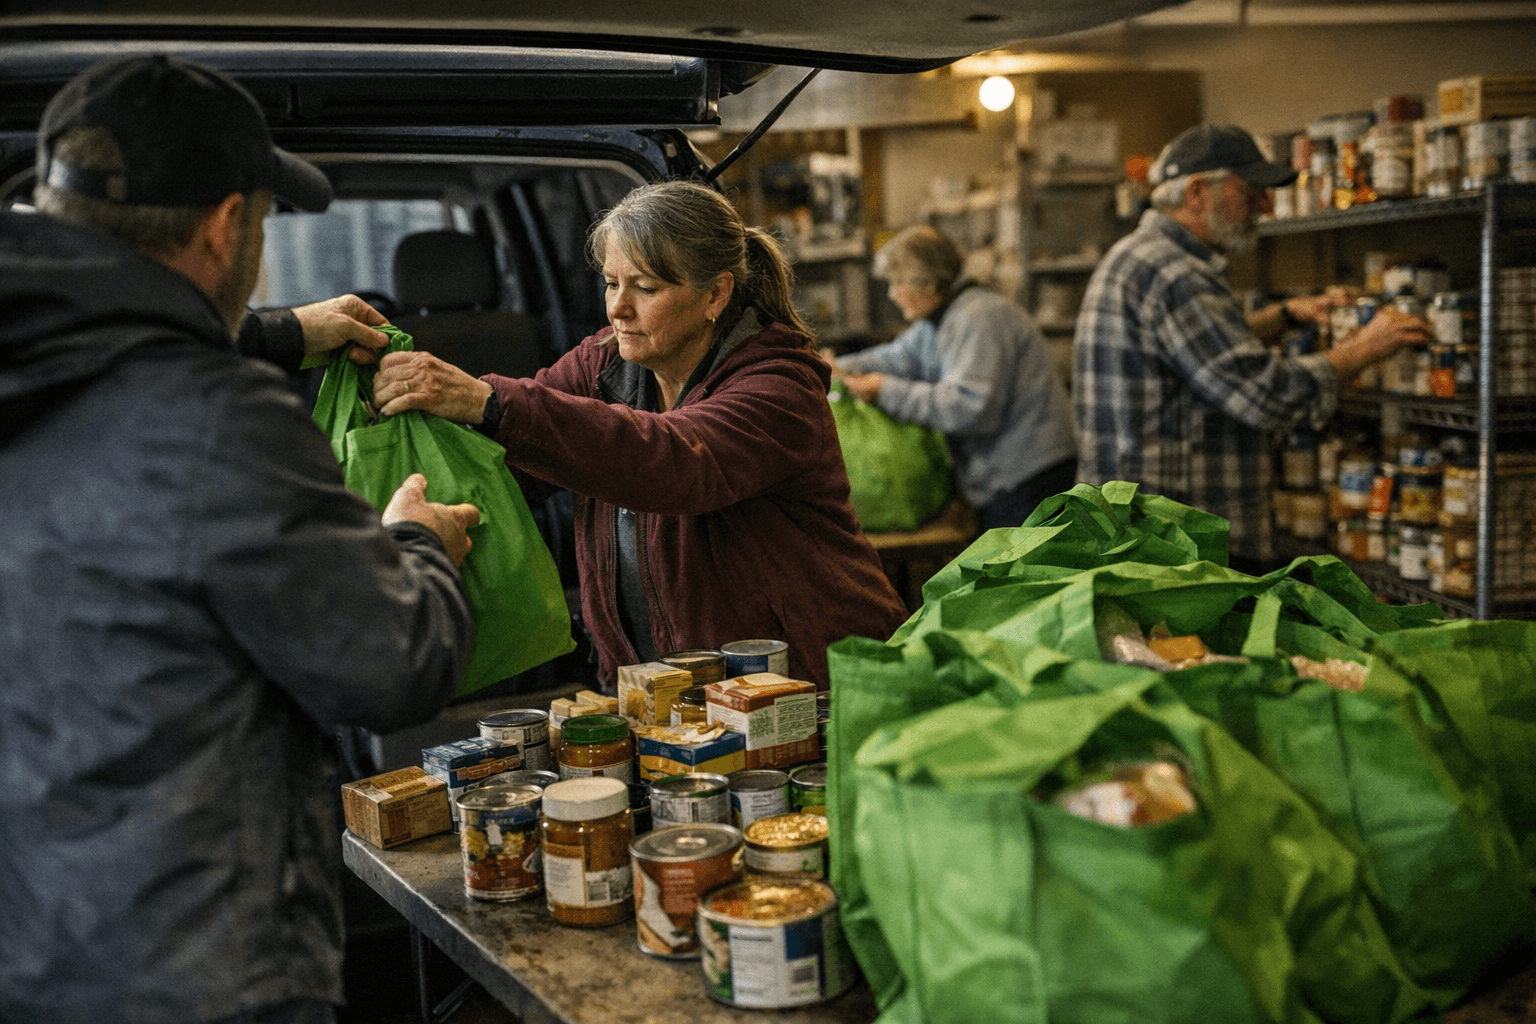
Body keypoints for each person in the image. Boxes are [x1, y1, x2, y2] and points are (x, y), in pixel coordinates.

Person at [0, 55, 481, 1024]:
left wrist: (274, 333)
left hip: (37, 943)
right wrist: (417, 545)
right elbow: (391, 664)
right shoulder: (218, 421)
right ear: (225, 226)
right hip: (199, 976)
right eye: (260, 222)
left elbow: (105, 346)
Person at [370, 179, 910, 689]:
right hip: (663, 691)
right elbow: (508, 460)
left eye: (644, 288)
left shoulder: (779, 386)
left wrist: (488, 401)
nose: (617, 308)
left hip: (806, 685)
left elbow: (676, 461)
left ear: (715, 295)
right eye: (610, 283)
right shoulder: (602, 364)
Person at [1073, 123, 1433, 569]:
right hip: (1177, 547)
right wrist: (1365, 346)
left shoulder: (1141, 256)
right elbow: (1264, 394)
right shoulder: (1176, 274)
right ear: (1198, 193)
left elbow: (1189, 355)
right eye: (1251, 191)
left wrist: (1283, 316)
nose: (1265, 206)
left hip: (1141, 535)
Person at [834, 225, 1078, 531]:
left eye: (898, 282)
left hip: (1031, 480)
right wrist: (836, 366)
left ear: (928, 282)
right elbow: (898, 357)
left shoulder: (978, 317)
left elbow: (968, 407)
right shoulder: (940, 319)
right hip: (1006, 480)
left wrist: (885, 391)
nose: (892, 294)